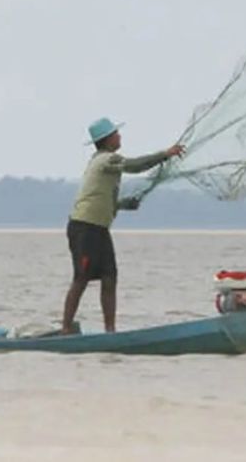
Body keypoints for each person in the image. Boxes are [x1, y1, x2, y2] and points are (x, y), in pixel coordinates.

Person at [63, 117, 184, 334]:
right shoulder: (107, 160)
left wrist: (124, 204)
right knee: (81, 277)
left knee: (110, 277)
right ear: (107, 139)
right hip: (84, 228)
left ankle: (110, 331)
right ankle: (65, 328)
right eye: (116, 134)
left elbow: (102, 198)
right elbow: (135, 166)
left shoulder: (105, 162)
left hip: (99, 229)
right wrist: (165, 154)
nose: (119, 136)